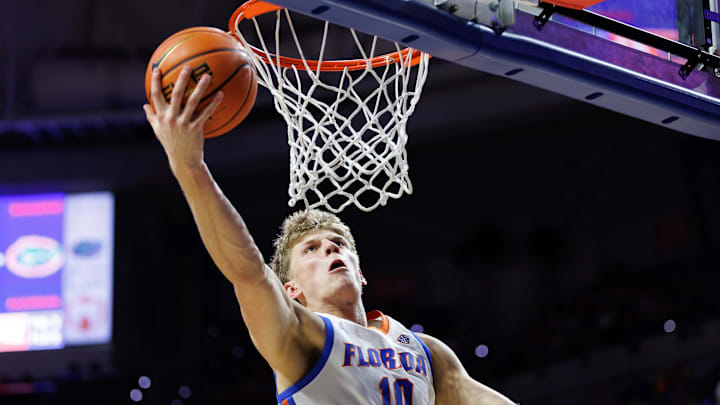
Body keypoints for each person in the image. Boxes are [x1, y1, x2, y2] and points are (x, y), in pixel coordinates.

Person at [143, 65, 515, 404]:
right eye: (311, 250)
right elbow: (248, 273)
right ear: (291, 291)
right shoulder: (301, 337)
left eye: (338, 245)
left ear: (361, 272)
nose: (330, 250)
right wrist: (190, 168)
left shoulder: (426, 353)